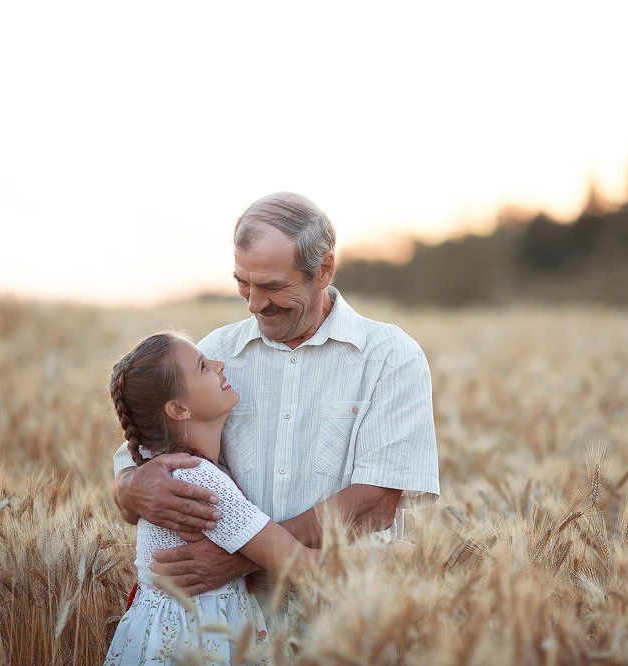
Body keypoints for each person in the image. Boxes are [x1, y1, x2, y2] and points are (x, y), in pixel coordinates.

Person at [112, 192, 440, 599]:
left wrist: (243, 555)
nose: (254, 304)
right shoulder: (213, 355)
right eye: (242, 284)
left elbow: (377, 501)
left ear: (324, 269)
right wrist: (128, 487)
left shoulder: (390, 357)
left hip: (346, 618)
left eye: (271, 286)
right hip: (231, 635)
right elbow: (141, 463)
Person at [104, 332, 316, 665]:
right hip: (199, 644)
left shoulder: (167, 466)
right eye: (203, 367)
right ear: (178, 408)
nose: (219, 365)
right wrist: (391, 558)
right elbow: (298, 563)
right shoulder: (198, 481)